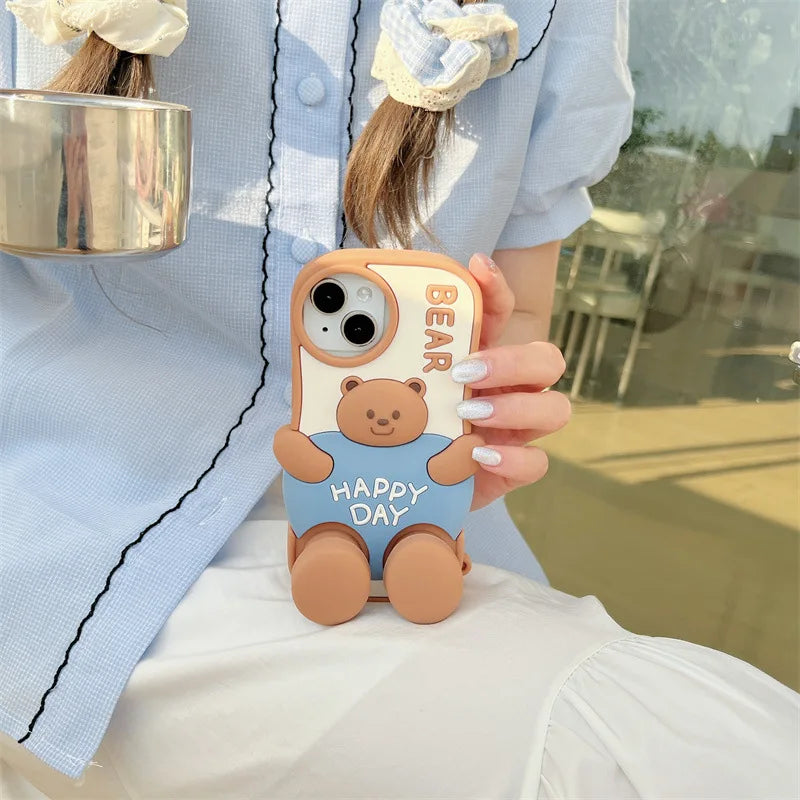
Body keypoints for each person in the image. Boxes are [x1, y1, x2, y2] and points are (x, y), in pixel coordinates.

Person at [0, 1, 797, 797]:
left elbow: (518, 310)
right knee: (638, 753)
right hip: (61, 513)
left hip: (426, 517)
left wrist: (486, 401)